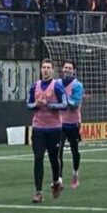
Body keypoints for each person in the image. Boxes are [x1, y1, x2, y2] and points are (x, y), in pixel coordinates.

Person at [27, 59, 68, 203]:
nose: (45, 70)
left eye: (48, 68)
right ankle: (38, 191)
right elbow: (28, 104)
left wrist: (50, 105)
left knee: (53, 158)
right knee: (38, 158)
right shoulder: (34, 86)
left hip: (54, 128)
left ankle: (56, 181)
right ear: (40, 70)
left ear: (52, 70)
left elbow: (65, 104)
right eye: (43, 67)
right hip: (38, 127)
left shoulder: (57, 86)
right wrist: (35, 105)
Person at [58, 61, 84, 189]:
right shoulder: (57, 84)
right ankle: (59, 178)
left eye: (70, 68)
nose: (67, 69)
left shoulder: (77, 85)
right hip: (59, 122)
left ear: (74, 71)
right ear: (62, 69)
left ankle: (75, 174)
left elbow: (75, 103)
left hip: (73, 122)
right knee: (59, 150)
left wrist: (64, 99)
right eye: (65, 67)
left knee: (75, 150)